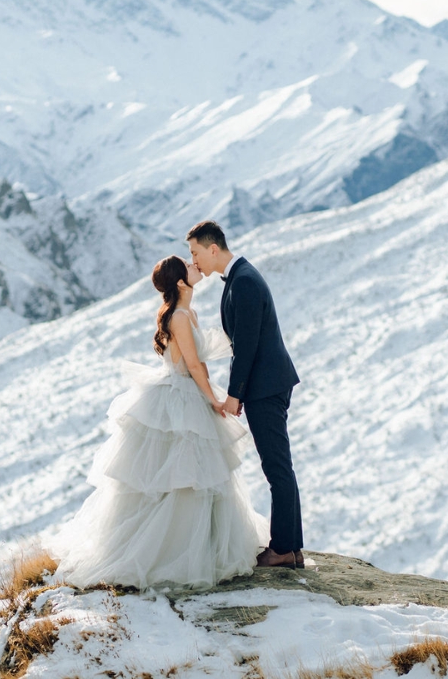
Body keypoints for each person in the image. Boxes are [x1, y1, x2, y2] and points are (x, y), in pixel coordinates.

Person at [48, 255, 267, 589]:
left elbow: (201, 365)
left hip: (190, 393)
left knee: (200, 476)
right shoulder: (179, 316)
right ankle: (173, 552)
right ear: (181, 282)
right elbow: (193, 366)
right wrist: (214, 400)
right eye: (189, 266)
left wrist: (211, 395)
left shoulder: (187, 313)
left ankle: (201, 546)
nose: (196, 266)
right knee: (182, 477)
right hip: (180, 396)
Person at [187, 220, 304, 569]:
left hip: (265, 387)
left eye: (195, 253)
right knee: (279, 466)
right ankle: (291, 547)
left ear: (213, 248)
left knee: (277, 467)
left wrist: (235, 395)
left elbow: (248, 347)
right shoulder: (240, 278)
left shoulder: (245, 283)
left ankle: (283, 549)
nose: (194, 261)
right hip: (268, 384)